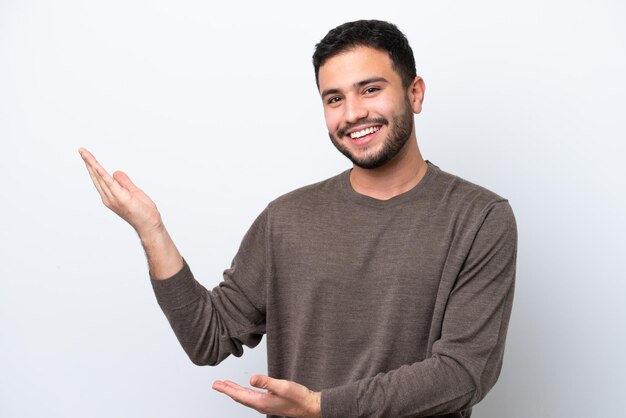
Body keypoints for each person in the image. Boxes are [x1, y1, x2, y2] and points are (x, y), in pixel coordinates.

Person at [80, 20, 516, 418]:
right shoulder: (286, 219)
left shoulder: (479, 218)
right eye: (334, 98)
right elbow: (208, 338)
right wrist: (151, 229)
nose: (352, 114)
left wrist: (322, 408)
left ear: (414, 93)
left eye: (370, 90)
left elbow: (462, 373)